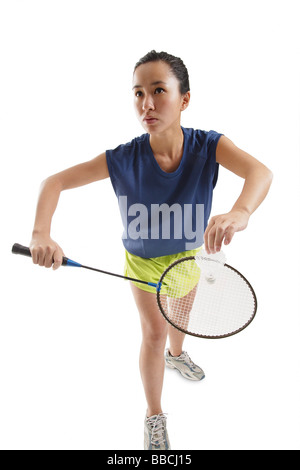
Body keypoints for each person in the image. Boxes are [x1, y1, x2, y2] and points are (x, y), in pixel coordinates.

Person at [29, 50, 273, 450]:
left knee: (181, 316)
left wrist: (242, 210)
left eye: (159, 90)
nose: (147, 103)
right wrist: (41, 233)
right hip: (142, 263)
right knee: (154, 333)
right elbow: (52, 183)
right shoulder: (123, 158)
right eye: (139, 92)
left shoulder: (208, 146)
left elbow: (261, 172)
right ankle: (154, 415)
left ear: (185, 99)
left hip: (190, 252)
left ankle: (179, 356)